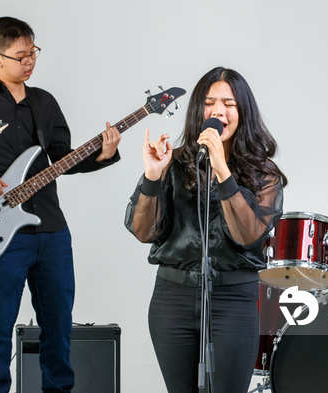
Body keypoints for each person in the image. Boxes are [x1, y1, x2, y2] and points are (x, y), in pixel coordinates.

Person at [0, 16, 121, 393]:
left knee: (58, 324)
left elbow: (63, 160)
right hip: (1, 232)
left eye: (33, 52)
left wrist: (103, 154)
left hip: (51, 229)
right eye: (21, 55)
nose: (30, 61)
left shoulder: (44, 102)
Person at [124, 67, 286, 393]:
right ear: (199, 110)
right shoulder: (176, 161)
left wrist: (222, 169)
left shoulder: (264, 174)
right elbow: (143, 231)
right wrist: (153, 176)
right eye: (210, 102)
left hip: (234, 299)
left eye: (229, 103)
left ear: (243, 112)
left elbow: (247, 234)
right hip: (173, 298)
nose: (218, 111)